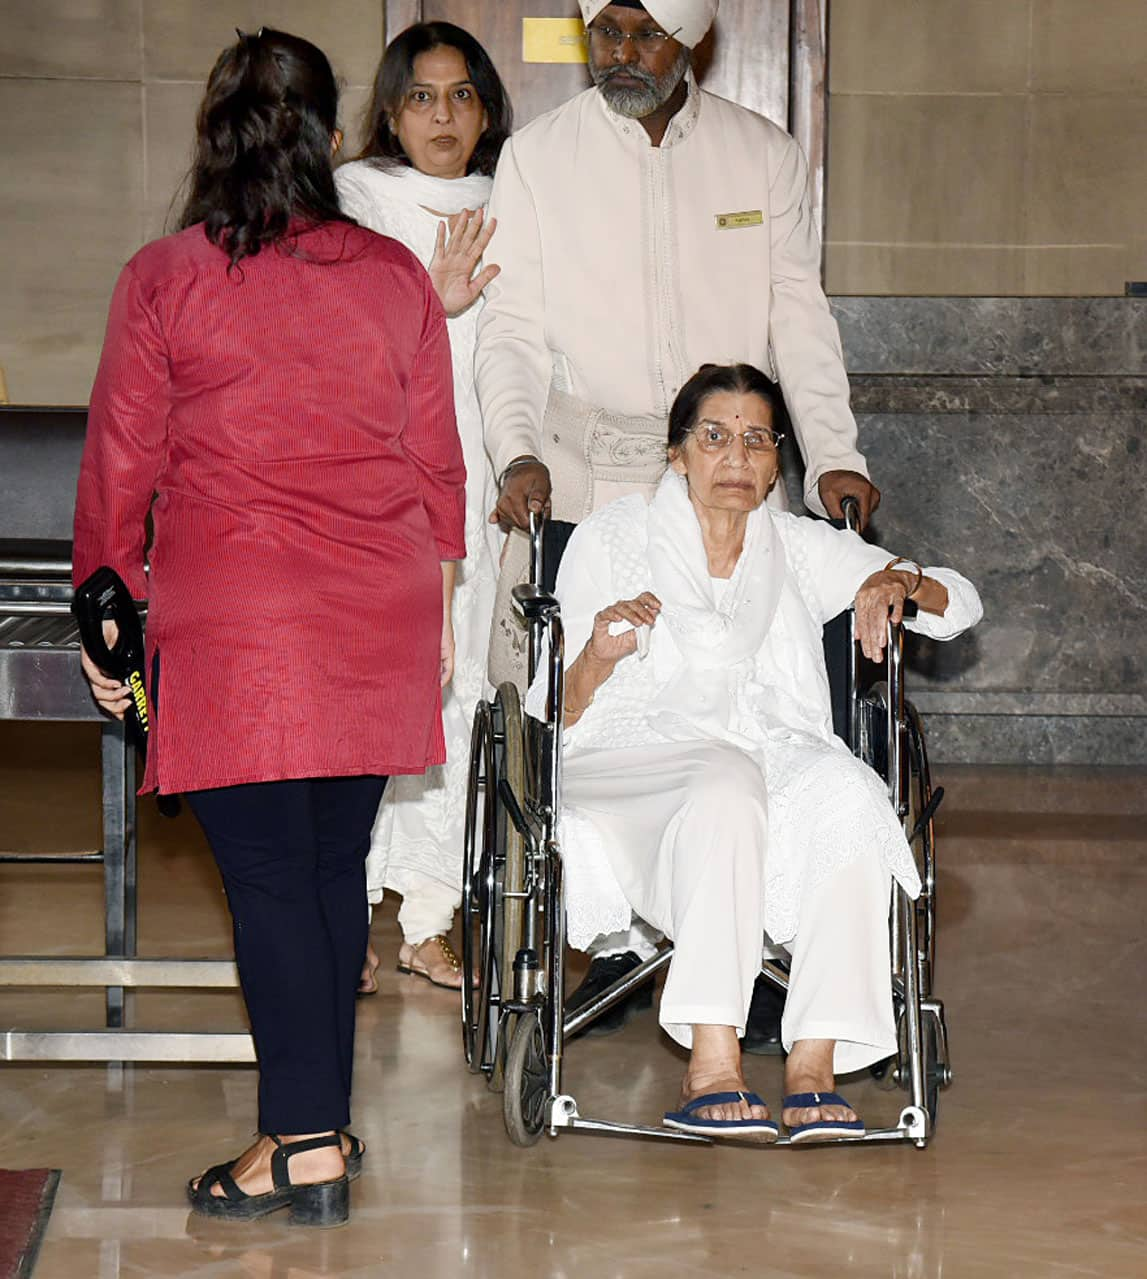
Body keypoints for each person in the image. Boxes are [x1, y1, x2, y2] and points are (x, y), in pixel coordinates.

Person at [75, 29, 465, 1224]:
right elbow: (438, 466)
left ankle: (299, 1141)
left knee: (267, 882)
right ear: (334, 141)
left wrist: (105, 617)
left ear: (213, 139)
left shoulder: (165, 277)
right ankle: (321, 1131)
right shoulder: (396, 277)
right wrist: (438, 613)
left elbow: (120, 469)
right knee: (328, 868)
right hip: (376, 606)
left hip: (242, 617)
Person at [476, 0, 880, 1028]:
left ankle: (747, 942)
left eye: (642, 36)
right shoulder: (538, 156)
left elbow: (800, 316)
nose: (619, 57)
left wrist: (833, 456)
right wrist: (517, 448)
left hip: (732, 481)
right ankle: (616, 939)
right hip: (587, 473)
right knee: (596, 705)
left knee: (751, 710)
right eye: (603, 34)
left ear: (690, 38)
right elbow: (511, 328)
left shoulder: (760, 154)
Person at [525, 362, 981, 1139]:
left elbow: (960, 601)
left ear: (777, 462)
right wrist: (598, 653)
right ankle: (712, 1061)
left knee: (846, 789)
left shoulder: (798, 548)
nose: (736, 456)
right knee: (723, 778)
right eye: (713, 436)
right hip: (625, 753)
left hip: (769, 750)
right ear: (676, 454)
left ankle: (812, 1063)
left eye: (756, 439)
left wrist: (895, 579)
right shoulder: (613, 537)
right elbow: (549, 710)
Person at [335, 22, 510, 993]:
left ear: (484, 107)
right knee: (382, 700)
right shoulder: (355, 201)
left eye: (460, 96)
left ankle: (431, 916)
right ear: (392, 112)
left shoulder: (514, 197)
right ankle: (348, 913)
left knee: (465, 698)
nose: (442, 116)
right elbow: (335, 338)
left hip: (482, 480)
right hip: (385, 482)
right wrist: (426, 309)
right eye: (421, 98)